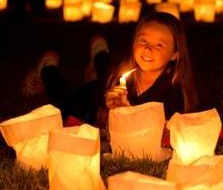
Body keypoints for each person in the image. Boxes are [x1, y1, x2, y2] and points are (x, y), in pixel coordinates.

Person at [22, 11, 198, 127]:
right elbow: (99, 120)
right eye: (143, 40)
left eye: (159, 45)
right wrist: (108, 109)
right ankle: (48, 69)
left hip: (100, 89)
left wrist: (126, 112)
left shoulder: (175, 93)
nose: (147, 49)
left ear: (175, 53)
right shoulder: (121, 76)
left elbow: (162, 130)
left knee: (102, 74)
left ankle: (96, 58)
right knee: (65, 103)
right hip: (91, 99)